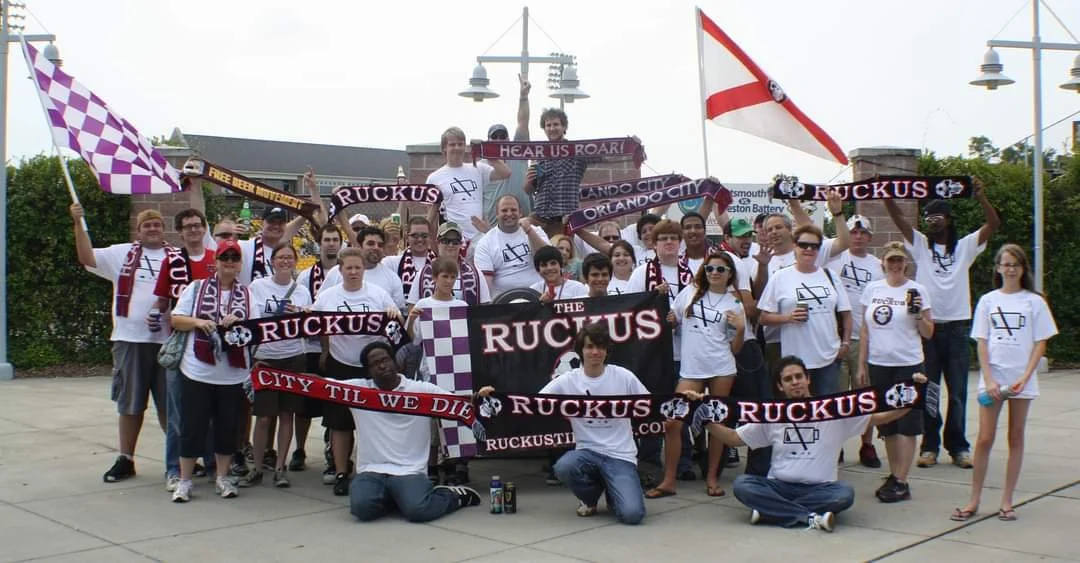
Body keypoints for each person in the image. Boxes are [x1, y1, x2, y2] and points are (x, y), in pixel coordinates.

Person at [708, 356, 926, 531]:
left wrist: (913, 393)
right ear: (781, 386)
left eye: (798, 376)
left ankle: (771, 512)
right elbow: (734, 438)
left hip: (820, 488)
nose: (795, 382)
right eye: (788, 379)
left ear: (808, 379)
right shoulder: (773, 414)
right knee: (743, 485)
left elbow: (883, 417)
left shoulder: (833, 410)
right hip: (779, 487)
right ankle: (810, 517)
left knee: (845, 493)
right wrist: (705, 419)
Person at [479, 323, 649, 524]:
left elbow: (651, 405)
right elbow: (532, 403)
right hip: (587, 452)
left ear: (607, 350)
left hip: (620, 455)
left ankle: (615, 492)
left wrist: (678, 405)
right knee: (563, 467)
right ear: (581, 350)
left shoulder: (623, 376)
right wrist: (494, 397)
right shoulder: (568, 380)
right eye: (590, 346)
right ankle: (590, 498)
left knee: (632, 515)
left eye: (601, 347)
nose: (595, 352)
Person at [883, 180, 999, 469]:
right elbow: (898, 220)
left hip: (957, 327)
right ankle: (930, 446)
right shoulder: (922, 246)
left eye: (937, 217)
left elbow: (993, 224)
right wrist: (887, 194)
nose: (932, 222)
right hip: (930, 328)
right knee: (930, 390)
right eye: (928, 218)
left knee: (958, 392)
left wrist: (981, 197)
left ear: (948, 219)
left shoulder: (965, 246)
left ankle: (958, 446)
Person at [952, 244, 1057, 523]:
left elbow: (1040, 342)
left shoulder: (1034, 301)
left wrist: (1025, 377)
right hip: (994, 380)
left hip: (1021, 381)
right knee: (985, 438)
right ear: (998, 267)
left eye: (1015, 265)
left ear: (1023, 269)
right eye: (1006, 264)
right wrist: (988, 378)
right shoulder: (988, 300)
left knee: (1016, 436)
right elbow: (982, 342)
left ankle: (1007, 501)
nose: (1010, 269)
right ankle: (974, 500)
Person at [71, 204, 169, 483]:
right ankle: (126, 458)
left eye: (157, 224)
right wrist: (78, 222)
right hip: (130, 339)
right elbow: (87, 257)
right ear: (138, 231)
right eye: (147, 225)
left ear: (164, 229)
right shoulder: (122, 253)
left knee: (171, 404)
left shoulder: (176, 257)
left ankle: (177, 457)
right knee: (130, 402)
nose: (152, 229)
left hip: (168, 341)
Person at [348, 342, 482, 522]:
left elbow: (458, 403)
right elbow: (319, 385)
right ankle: (399, 498)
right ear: (368, 371)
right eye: (375, 364)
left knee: (418, 511)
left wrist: (480, 398)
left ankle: (453, 495)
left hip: (409, 470)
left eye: (385, 360)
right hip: (371, 469)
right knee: (361, 508)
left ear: (395, 361)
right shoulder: (357, 391)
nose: (382, 366)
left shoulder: (421, 390)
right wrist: (304, 380)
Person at [648, 253, 745, 499]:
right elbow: (673, 320)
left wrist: (741, 329)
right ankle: (669, 480)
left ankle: (712, 478)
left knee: (717, 424)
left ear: (730, 274)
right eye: (710, 268)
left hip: (722, 367)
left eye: (720, 269)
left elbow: (736, 348)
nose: (714, 273)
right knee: (673, 422)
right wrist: (670, 318)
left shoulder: (734, 302)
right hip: (692, 368)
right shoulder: (690, 291)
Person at [168, 239, 253, 502]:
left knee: (227, 428)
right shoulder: (196, 288)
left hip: (232, 373)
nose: (229, 262)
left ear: (240, 264)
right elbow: (175, 319)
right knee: (192, 426)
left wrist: (240, 321)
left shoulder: (248, 294)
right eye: (224, 257)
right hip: (198, 370)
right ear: (215, 261)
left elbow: (257, 330)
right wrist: (198, 322)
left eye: (234, 258)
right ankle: (185, 480)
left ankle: (222, 477)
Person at [313, 247, 402, 496]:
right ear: (340, 270)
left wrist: (394, 315)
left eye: (357, 267)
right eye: (349, 268)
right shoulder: (328, 296)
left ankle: (373, 470)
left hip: (371, 368)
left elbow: (398, 325)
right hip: (340, 363)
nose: (353, 272)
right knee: (339, 423)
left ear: (364, 269)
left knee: (374, 421)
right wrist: (324, 350)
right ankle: (342, 471)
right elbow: (314, 324)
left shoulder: (378, 294)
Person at [857, 242, 934, 502]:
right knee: (887, 423)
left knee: (908, 422)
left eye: (900, 260)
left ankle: (902, 480)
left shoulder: (917, 290)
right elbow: (865, 330)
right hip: (880, 363)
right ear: (883, 262)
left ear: (906, 263)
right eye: (891, 260)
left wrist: (918, 316)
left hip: (908, 363)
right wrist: (862, 364)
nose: (895, 265)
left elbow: (929, 332)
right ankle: (894, 474)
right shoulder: (872, 289)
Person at [155, 208, 218, 492]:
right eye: (188, 226)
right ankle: (174, 469)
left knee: (209, 410)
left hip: (210, 345)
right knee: (178, 412)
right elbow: (162, 302)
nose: (193, 230)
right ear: (180, 232)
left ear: (204, 229)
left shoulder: (215, 259)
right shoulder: (172, 261)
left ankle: (211, 463)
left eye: (197, 225)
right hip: (181, 344)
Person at [242, 243, 313, 489]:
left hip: (293, 356)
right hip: (266, 357)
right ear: (272, 261)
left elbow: (308, 325)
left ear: (295, 261)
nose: (285, 261)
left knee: (287, 415)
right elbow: (249, 320)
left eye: (289, 257)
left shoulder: (302, 291)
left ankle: (281, 467)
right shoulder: (257, 287)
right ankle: (257, 467)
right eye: (280, 257)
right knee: (263, 417)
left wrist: (303, 313)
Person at [758, 224, 852, 396]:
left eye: (814, 246)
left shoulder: (830, 275)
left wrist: (845, 343)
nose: (809, 249)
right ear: (795, 246)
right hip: (795, 362)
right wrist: (787, 318)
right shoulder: (780, 277)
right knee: (799, 409)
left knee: (828, 408)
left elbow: (846, 314)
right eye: (804, 245)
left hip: (829, 358)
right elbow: (763, 317)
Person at [826, 214, 884, 468]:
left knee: (864, 395)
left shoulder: (878, 265)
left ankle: (867, 444)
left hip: (866, 338)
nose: (858, 237)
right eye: (853, 232)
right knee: (837, 396)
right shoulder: (835, 259)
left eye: (863, 233)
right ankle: (835, 445)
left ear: (870, 237)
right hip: (837, 337)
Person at [292, 223, 343, 474]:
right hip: (311, 346)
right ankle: (299, 449)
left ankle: (331, 450)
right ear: (319, 243)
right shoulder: (305, 276)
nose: (331, 244)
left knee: (333, 403)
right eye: (327, 239)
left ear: (340, 244)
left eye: (335, 239)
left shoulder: (346, 272)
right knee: (304, 405)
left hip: (336, 346)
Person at [425, 126, 510, 244]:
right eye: (452, 145)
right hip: (453, 240)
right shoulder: (434, 178)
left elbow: (505, 173)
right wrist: (434, 245)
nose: (457, 148)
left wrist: (488, 153)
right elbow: (431, 217)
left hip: (480, 238)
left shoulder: (478, 168)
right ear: (444, 148)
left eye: (460, 144)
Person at [473, 194, 550, 298]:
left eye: (513, 210)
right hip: (504, 300)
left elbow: (548, 259)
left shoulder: (535, 231)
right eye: (504, 210)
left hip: (540, 295)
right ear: (497, 214)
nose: (509, 214)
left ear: (520, 212)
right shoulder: (485, 243)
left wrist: (529, 231)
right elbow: (485, 285)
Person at [483, 74, 533, 224]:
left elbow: (523, 122)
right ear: (488, 140)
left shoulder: (518, 153)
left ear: (509, 139)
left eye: (502, 136)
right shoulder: (481, 166)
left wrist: (523, 97)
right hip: (493, 227)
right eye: (494, 137)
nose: (499, 140)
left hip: (523, 224)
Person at [408, 222, 492, 306]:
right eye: (446, 241)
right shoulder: (423, 273)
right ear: (438, 242)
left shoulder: (475, 274)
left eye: (455, 242)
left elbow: (484, 307)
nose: (451, 245)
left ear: (460, 244)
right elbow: (412, 306)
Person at [324, 226, 406, 311]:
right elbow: (321, 304)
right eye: (370, 244)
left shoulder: (392, 279)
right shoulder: (336, 273)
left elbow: (399, 312)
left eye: (380, 245)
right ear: (359, 247)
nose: (376, 248)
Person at [383, 217, 437, 300]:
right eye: (415, 235)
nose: (420, 239)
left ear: (430, 237)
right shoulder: (391, 263)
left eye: (424, 236)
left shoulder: (438, 263)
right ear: (407, 237)